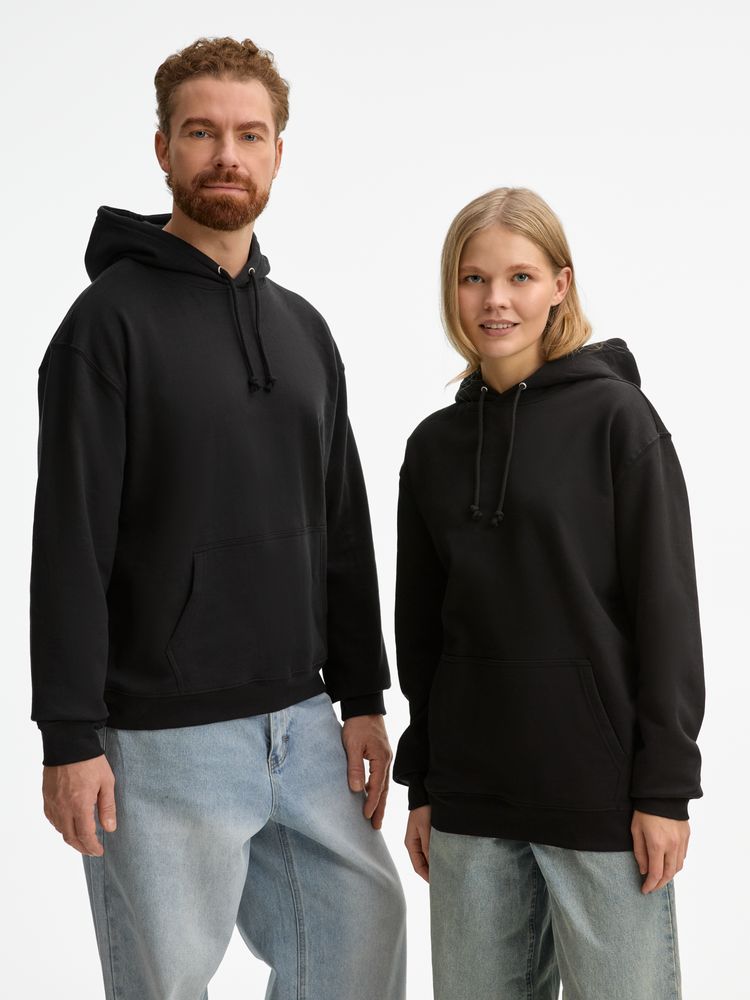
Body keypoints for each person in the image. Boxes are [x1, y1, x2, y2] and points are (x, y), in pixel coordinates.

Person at [30, 36, 406, 1000]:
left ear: (278, 151)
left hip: (304, 723)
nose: (227, 155)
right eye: (202, 133)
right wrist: (70, 737)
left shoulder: (304, 328)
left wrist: (363, 693)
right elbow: (69, 543)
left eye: (250, 134)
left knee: (361, 947)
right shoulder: (103, 327)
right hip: (161, 738)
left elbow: (342, 522)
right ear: (164, 149)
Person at [392, 186, 705, 999]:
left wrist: (665, 788)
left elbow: (667, 613)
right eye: (473, 279)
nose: (495, 300)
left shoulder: (618, 421)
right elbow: (421, 634)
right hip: (469, 801)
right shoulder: (433, 447)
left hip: (599, 797)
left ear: (560, 285)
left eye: (520, 277)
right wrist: (423, 784)